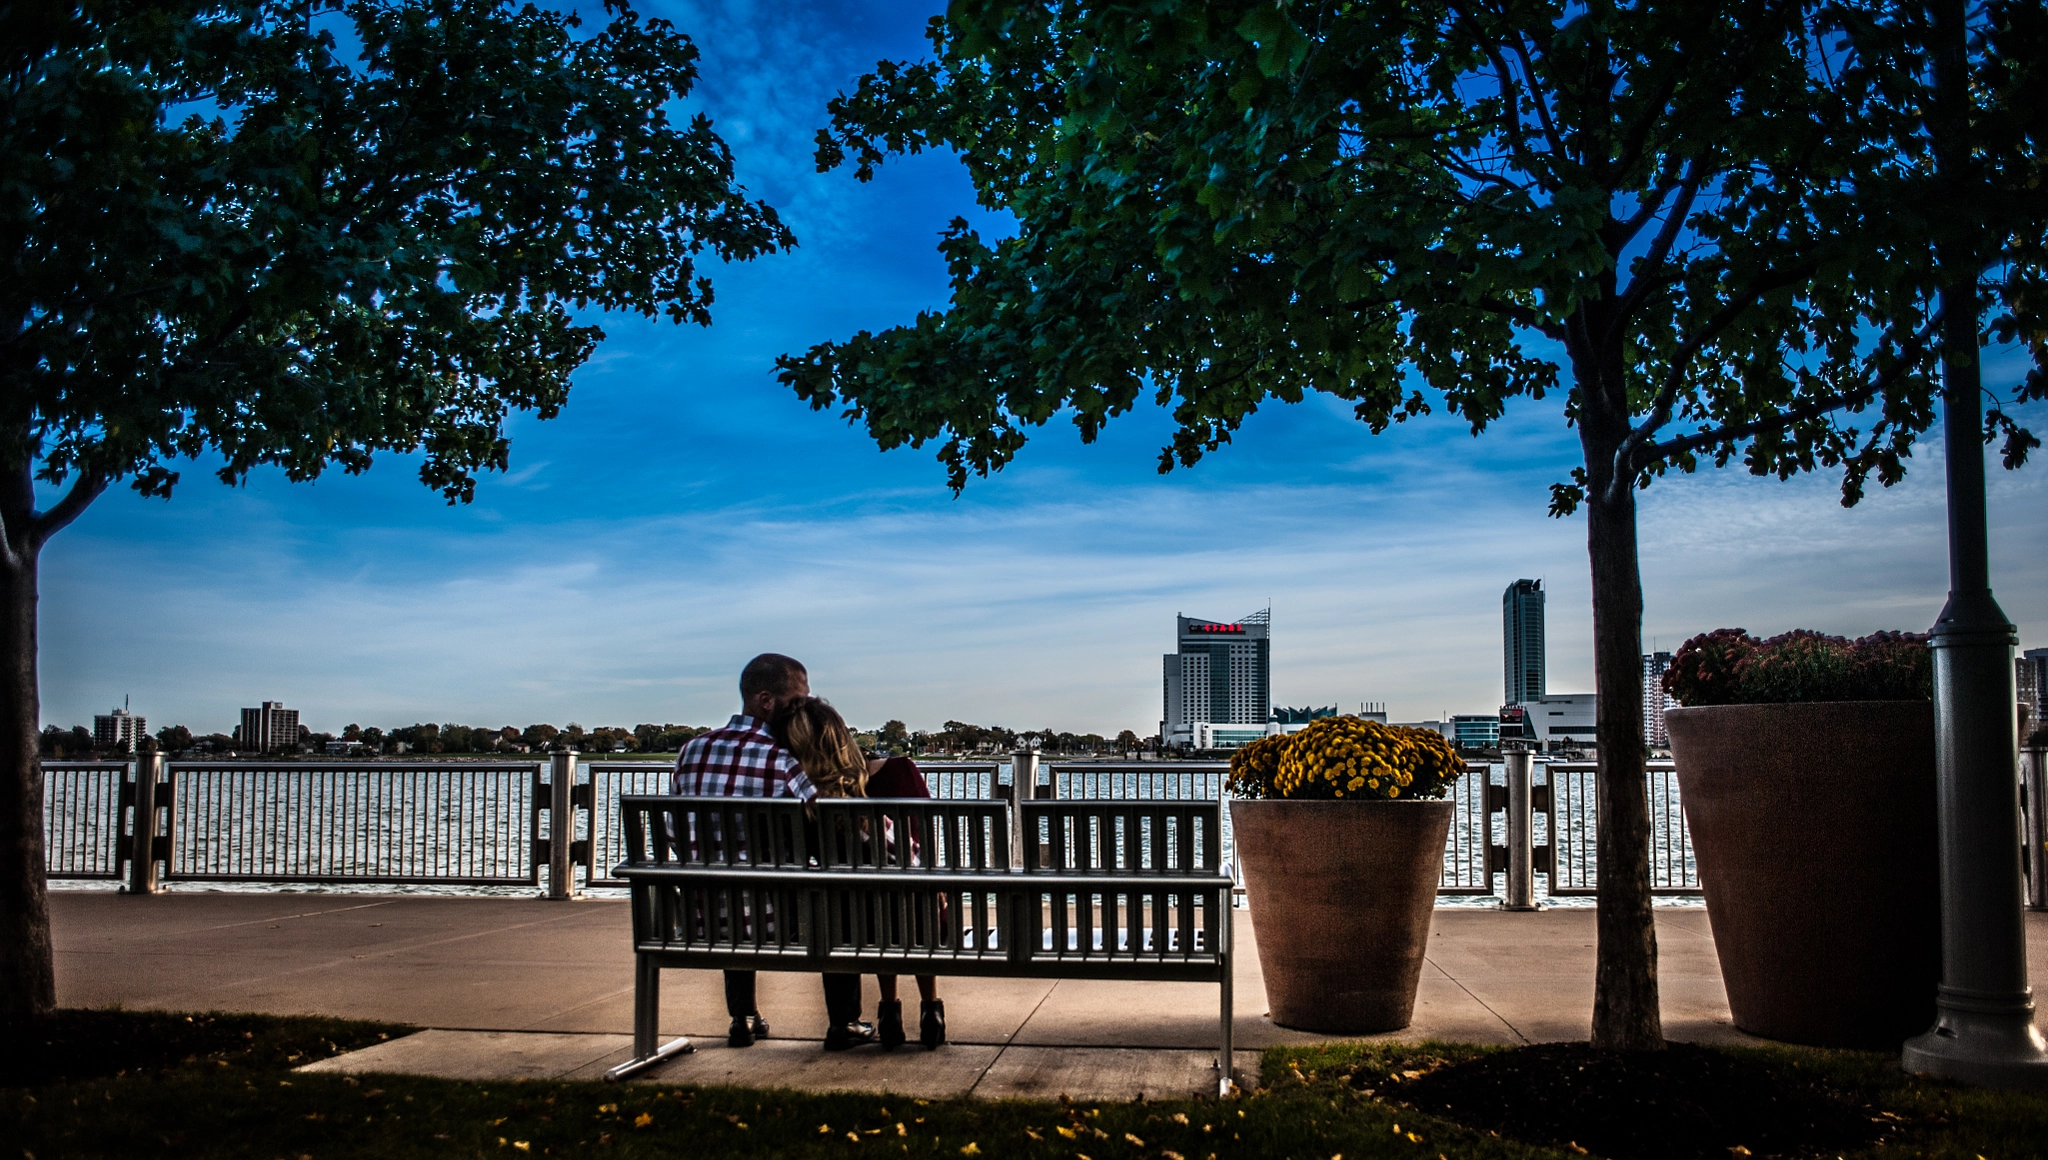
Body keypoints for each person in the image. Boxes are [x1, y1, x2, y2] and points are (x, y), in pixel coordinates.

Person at [671, 654, 875, 1051]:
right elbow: (832, 832)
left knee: (733, 882)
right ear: (766, 700)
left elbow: (674, 834)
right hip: (772, 923)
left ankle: (743, 1017)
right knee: (834, 894)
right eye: (797, 699)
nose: (803, 706)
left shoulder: (690, 752)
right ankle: (844, 1022)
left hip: (700, 918)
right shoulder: (781, 761)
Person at [773, 696, 947, 1050]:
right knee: (914, 900)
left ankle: (888, 1009)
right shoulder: (900, 770)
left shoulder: (809, 800)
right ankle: (931, 1006)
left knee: (873, 904)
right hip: (917, 915)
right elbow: (921, 845)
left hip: (853, 926)